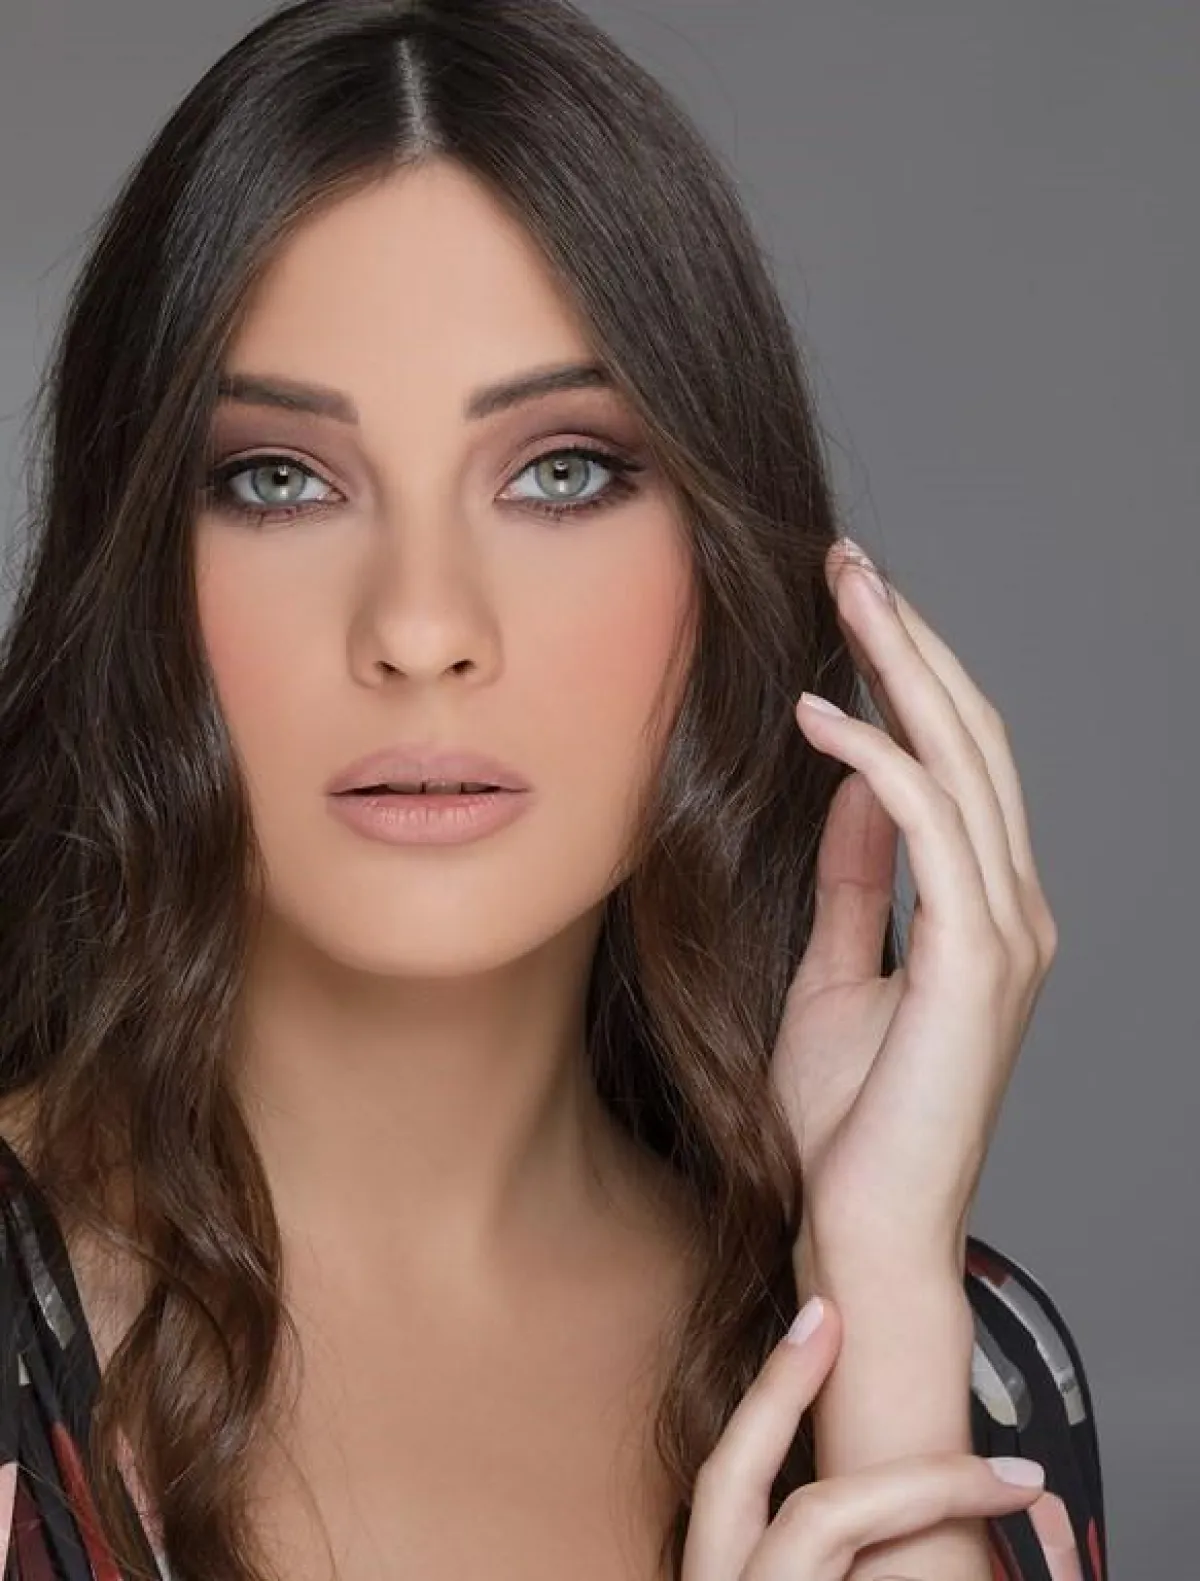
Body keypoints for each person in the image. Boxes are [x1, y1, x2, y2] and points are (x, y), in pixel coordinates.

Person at [0, 2, 1105, 1579]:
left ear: (723, 565)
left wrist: (885, 1331)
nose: (423, 628)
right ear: (138, 573)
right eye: (279, 479)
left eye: (562, 472)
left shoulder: (960, 1371)